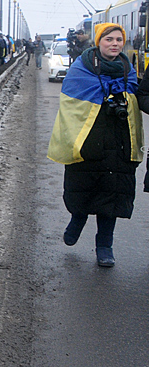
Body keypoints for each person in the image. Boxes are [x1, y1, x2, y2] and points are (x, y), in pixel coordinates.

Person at [48, 23, 143, 267]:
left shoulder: (128, 70)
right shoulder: (82, 68)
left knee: (112, 197)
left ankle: (104, 246)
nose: (114, 44)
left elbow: (137, 97)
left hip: (119, 143)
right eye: (109, 39)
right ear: (98, 41)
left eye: (119, 40)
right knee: (84, 189)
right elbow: (71, 103)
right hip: (88, 141)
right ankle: (77, 220)